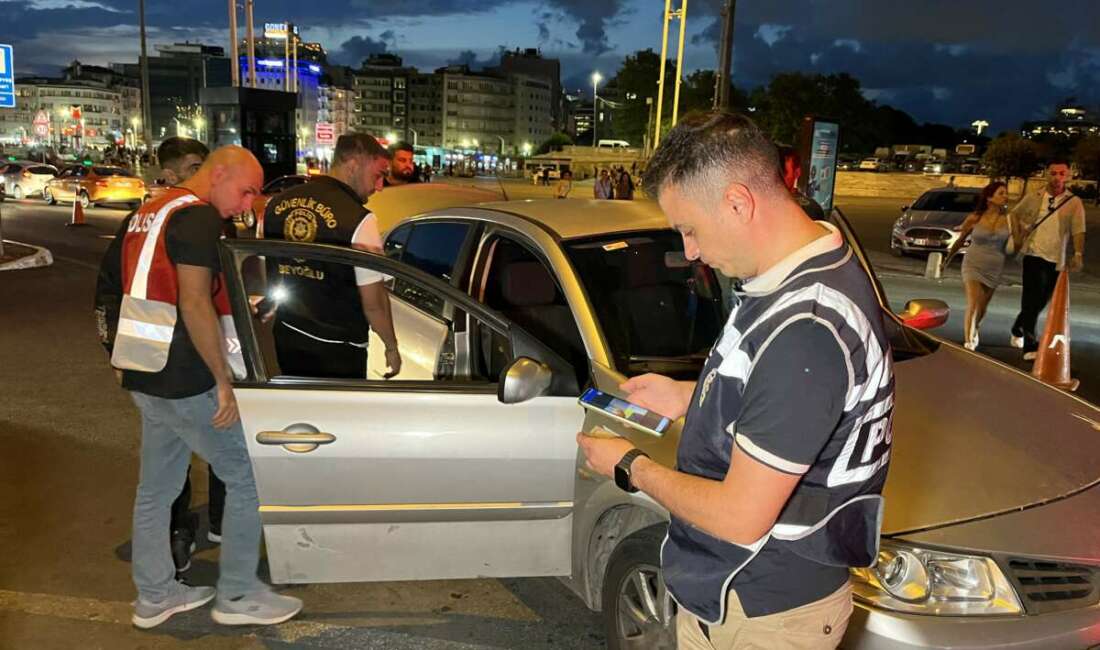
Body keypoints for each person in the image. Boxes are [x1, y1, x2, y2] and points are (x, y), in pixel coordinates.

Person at [577, 113, 893, 649]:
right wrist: (688, 395)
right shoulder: (795, 269)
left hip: (763, 607)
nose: (691, 250)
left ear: (739, 203)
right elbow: (770, 391)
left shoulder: (806, 331)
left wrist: (629, 466)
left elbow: (740, 517)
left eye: (689, 229)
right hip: (737, 590)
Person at [112, 146, 303, 628]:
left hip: (143, 368)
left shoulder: (151, 209)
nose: (246, 205)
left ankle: (155, 595)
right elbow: (194, 304)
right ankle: (237, 595)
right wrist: (224, 381)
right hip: (184, 377)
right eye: (245, 191)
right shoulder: (198, 220)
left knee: (156, 488)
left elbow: (134, 286)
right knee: (247, 478)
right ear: (218, 174)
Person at [94, 136, 226, 576]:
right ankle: (180, 539)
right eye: (192, 167)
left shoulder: (196, 216)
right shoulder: (158, 218)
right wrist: (115, 351)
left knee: (172, 469)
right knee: (199, 465)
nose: (200, 175)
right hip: (170, 364)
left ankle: (208, 534)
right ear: (169, 175)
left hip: (189, 360)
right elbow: (111, 289)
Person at [262, 133, 401, 379]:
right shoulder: (359, 220)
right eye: (377, 175)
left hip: (288, 334)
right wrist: (391, 346)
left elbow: (269, 267)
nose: (379, 187)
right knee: (339, 416)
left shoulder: (276, 205)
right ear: (353, 165)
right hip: (339, 348)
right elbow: (374, 303)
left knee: (301, 411)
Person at [1010, 159, 1086, 359]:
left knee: (1042, 299)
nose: (1057, 177)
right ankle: (1030, 344)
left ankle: (1018, 326)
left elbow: (1079, 230)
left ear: (1068, 175)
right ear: (1046, 174)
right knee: (1030, 298)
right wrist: (1018, 236)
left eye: (1061, 173)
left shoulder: (1074, 202)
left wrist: (1078, 253)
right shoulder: (1035, 196)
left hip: (1057, 258)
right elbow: (1015, 214)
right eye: (1053, 173)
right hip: (1033, 254)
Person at [942, 181, 1012, 350]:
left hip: (995, 267)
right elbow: (960, 240)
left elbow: (1016, 244)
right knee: (973, 303)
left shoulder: (1009, 219)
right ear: (989, 197)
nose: (1006, 196)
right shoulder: (975, 218)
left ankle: (975, 328)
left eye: (1006, 193)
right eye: (1001, 193)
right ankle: (969, 342)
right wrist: (947, 259)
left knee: (982, 308)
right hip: (972, 264)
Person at [777, 144, 826, 220]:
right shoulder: (757, 202)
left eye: (783, 172)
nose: (776, 177)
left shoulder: (809, 210)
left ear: (797, 172)